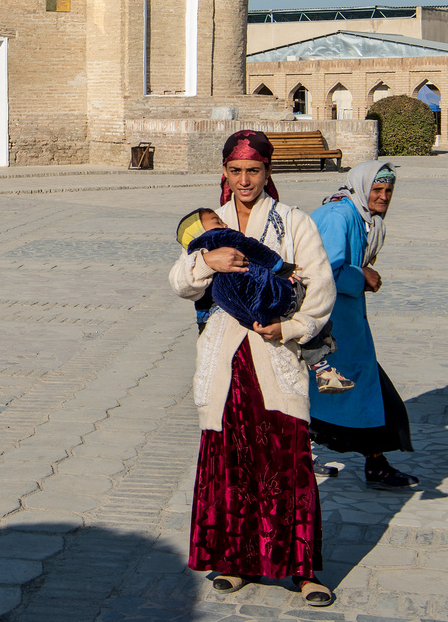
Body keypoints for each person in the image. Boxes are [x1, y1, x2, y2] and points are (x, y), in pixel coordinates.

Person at [169, 130, 338, 607]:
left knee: (288, 460)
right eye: (236, 171)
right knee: (231, 461)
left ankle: (302, 570)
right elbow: (179, 283)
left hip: (274, 356)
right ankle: (236, 561)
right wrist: (206, 259)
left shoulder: (292, 222)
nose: (245, 180)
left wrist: (290, 329)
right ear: (224, 173)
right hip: (224, 359)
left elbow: (321, 286)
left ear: (268, 172)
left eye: (254, 171)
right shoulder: (209, 224)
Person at [308, 160, 419, 489]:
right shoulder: (338, 215)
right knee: (362, 396)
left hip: (346, 331)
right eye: (377, 189)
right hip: (327, 330)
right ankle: (376, 464)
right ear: (361, 187)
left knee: (343, 393)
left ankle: (374, 463)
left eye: (388, 191)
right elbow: (323, 270)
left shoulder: (362, 218)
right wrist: (363, 275)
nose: (383, 197)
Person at [175, 207, 353, 393]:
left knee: (299, 321)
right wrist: (280, 266)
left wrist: (202, 326)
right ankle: (323, 361)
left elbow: (202, 302)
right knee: (301, 304)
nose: (224, 224)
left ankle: (324, 363)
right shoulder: (218, 237)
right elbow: (251, 247)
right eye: (217, 221)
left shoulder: (194, 259)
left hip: (251, 318)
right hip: (272, 296)